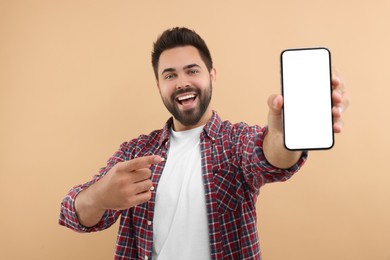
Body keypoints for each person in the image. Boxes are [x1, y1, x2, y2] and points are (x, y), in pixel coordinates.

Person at [59, 27, 349, 259]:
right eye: (169, 75)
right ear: (159, 86)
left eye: (192, 70)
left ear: (212, 75)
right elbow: (72, 213)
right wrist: (99, 196)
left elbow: (271, 158)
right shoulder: (135, 152)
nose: (182, 82)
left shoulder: (235, 141)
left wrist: (285, 136)